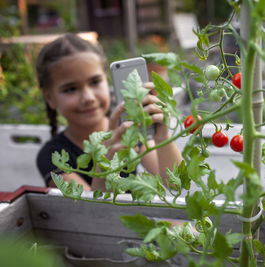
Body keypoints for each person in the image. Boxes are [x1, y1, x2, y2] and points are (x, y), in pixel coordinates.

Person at [36, 33, 182, 191]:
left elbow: (176, 184)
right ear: (49, 97)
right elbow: (92, 212)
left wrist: (162, 137)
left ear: (107, 79)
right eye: (70, 89)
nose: (88, 98)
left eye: (95, 82)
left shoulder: (129, 130)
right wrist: (107, 164)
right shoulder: (52, 156)